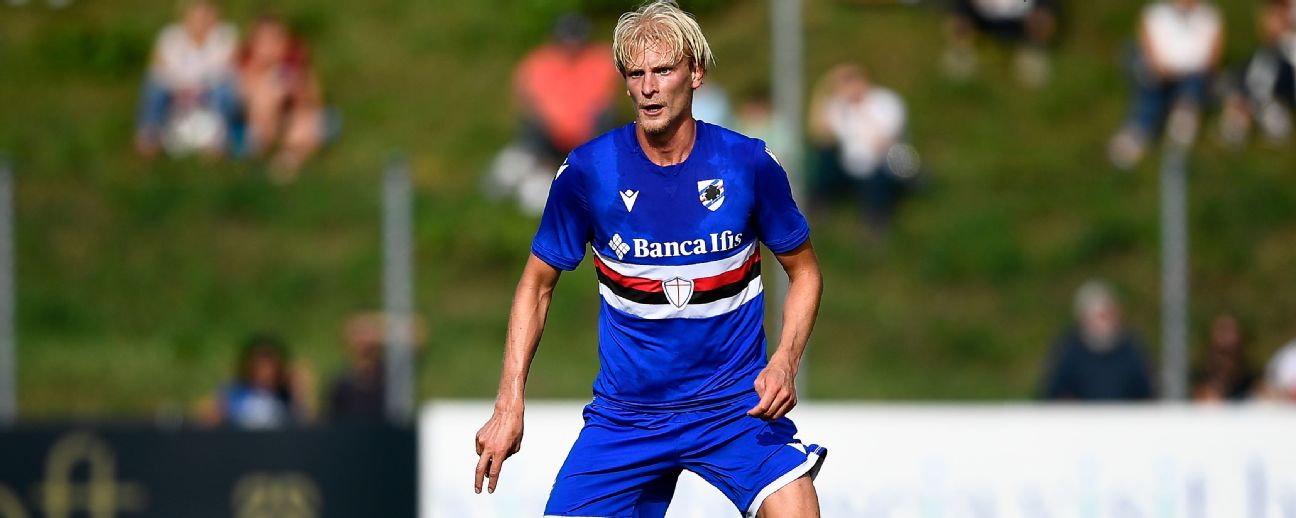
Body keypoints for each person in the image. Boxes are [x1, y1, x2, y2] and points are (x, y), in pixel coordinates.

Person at [473, 2, 827, 516]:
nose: (649, 87)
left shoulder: (747, 163)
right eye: (636, 74)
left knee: (797, 508)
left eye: (663, 70)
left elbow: (805, 272)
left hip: (732, 406)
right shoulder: (590, 171)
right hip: (628, 417)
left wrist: (785, 362)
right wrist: (509, 401)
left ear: (696, 74)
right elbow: (537, 284)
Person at [486, 13, 622, 216]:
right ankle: (531, 175)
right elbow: (528, 106)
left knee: (606, 123)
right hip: (547, 140)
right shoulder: (538, 64)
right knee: (528, 139)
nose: (572, 44)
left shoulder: (602, 61)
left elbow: (608, 103)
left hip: (589, 141)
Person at [1108, 0, 1224, 170]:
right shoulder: (1155, 12)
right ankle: (1140, 129)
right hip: (1160, 74)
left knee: (1193, 88)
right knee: (1149, 83)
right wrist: (1157, 66)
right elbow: (1145, 42)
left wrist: (1200, 72)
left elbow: (1214, 57)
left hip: (1193, 78)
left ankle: (1183, 114)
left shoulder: (1210, 16)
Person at [808, 64, 917, 237]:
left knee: (876, 176)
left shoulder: (886, 102)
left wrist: (861, 112)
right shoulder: (839, 106)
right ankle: (816, 208)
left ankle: (875, 223)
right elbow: (818, 133)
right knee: (824, 157)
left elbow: (884, 142)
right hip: (851, 164)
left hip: (884, 162)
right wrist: (824, 87)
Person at [135, 0, 239, 158]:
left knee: (223, 91)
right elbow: (157, 71)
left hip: (209, 92)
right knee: (154, 88)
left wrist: (194, 84)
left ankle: (218, 141)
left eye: (206, 12)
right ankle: (149, 136)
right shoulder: (169, 36)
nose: (201, 19)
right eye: (197, 13)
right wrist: (182, 85)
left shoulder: (225, 35)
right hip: (175, 91)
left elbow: (227, 70)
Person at [236, 15, 330, 181]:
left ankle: (289, 157)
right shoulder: (247, 64)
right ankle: (268, 154)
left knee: (312, 119)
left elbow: (315, 98)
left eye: (277, 39)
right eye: (265, 41)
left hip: (292, 121)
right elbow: (244, 102)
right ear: (255, 44)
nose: (271, 47)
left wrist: (297, 90)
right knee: (266, 96)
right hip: (257, 126)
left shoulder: (294, 62)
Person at [1041, 280, 1155, 401]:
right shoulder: (1068, 350)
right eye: (1100, 316)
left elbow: (1146, 392)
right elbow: (1054, 392)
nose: (1105, 321)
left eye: (1109, 314)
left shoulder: (1132, 348)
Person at [197, 333, 315, 428]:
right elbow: (204, 417)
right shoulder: (234, 394)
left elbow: (306, 424)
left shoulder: (286, 398)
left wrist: (299, 393)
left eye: (269, 364)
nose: (264, 370)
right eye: (259, 364)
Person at [325, 312, 426, 423]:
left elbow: (417, 333)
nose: (364, 342)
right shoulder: (341, 383)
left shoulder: (391, 374)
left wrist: (380, 329)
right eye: (359, 334)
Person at [1219, 0, 1295, 144]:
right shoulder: (1266, 53)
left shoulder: (1288, 50)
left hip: (1276, 98)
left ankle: (1250, 113)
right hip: (1258, 93)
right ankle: (1242, 114)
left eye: (1274, 16)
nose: (1267, 22)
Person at [942, 0, 1059, 87]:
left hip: (1025, 11)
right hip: (982, 11)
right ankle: (961, 53)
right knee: (960, 15)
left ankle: (1034, 50)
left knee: (1043, 11)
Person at [1191, 313, 1259, 402]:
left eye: (1232, 331)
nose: (1228, 339)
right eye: (1223, 331)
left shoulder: (1252, 381)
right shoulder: (1195, 379)